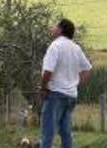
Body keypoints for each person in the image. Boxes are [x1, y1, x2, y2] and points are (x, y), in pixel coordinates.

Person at [37, 18, 92, 148]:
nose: (53, 28)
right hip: (71, 95)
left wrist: (43, 88)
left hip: (55, 94)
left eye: (55, 26)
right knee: (66, 132)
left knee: (48, 132)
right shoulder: (76, 48)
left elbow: (48, 71)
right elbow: (87, 69)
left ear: (61, 30)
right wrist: (75, 84)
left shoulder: (55, 46)